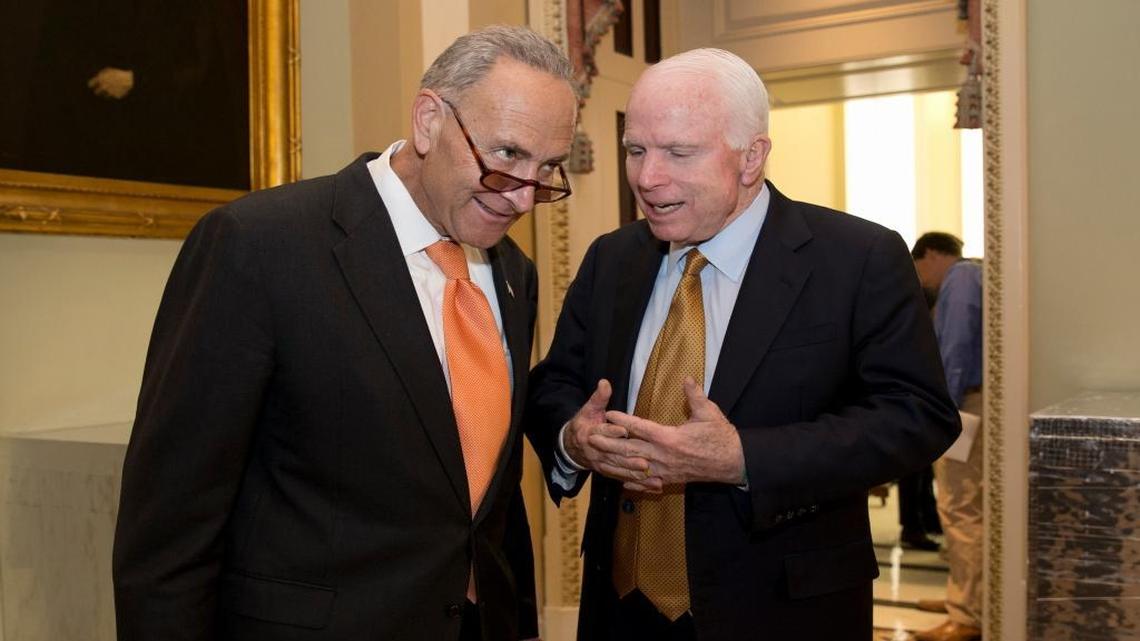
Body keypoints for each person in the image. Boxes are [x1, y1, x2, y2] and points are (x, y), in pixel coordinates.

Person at [112, 25, 578, 641]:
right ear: (429, 121)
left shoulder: (514, 275)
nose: (522, 198)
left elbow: (487, 493)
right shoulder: (260, 246)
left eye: (547, 169)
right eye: (507, 156)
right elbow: (171, 522)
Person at [526, 48, 960, 641]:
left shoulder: (858, 258)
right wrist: (574, 439)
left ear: (751, 156)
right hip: (620, 609)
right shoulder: (612, 258)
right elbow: (556, 383)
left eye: (678, 152)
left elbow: (918, 417)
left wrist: (744, 458)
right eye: (636, 150)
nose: (647, 178)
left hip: (783, 612)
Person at [911, 232, 984, 641]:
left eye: (919, 267)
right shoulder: (973, 275)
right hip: (972, 403)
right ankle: (966, 595)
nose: (921, 278)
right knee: (969, 504)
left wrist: (943, 412)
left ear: (933, 255)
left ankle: (967, 612)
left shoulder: (960, 279)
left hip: (964, 407)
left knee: (960, 506)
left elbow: (955, 348)